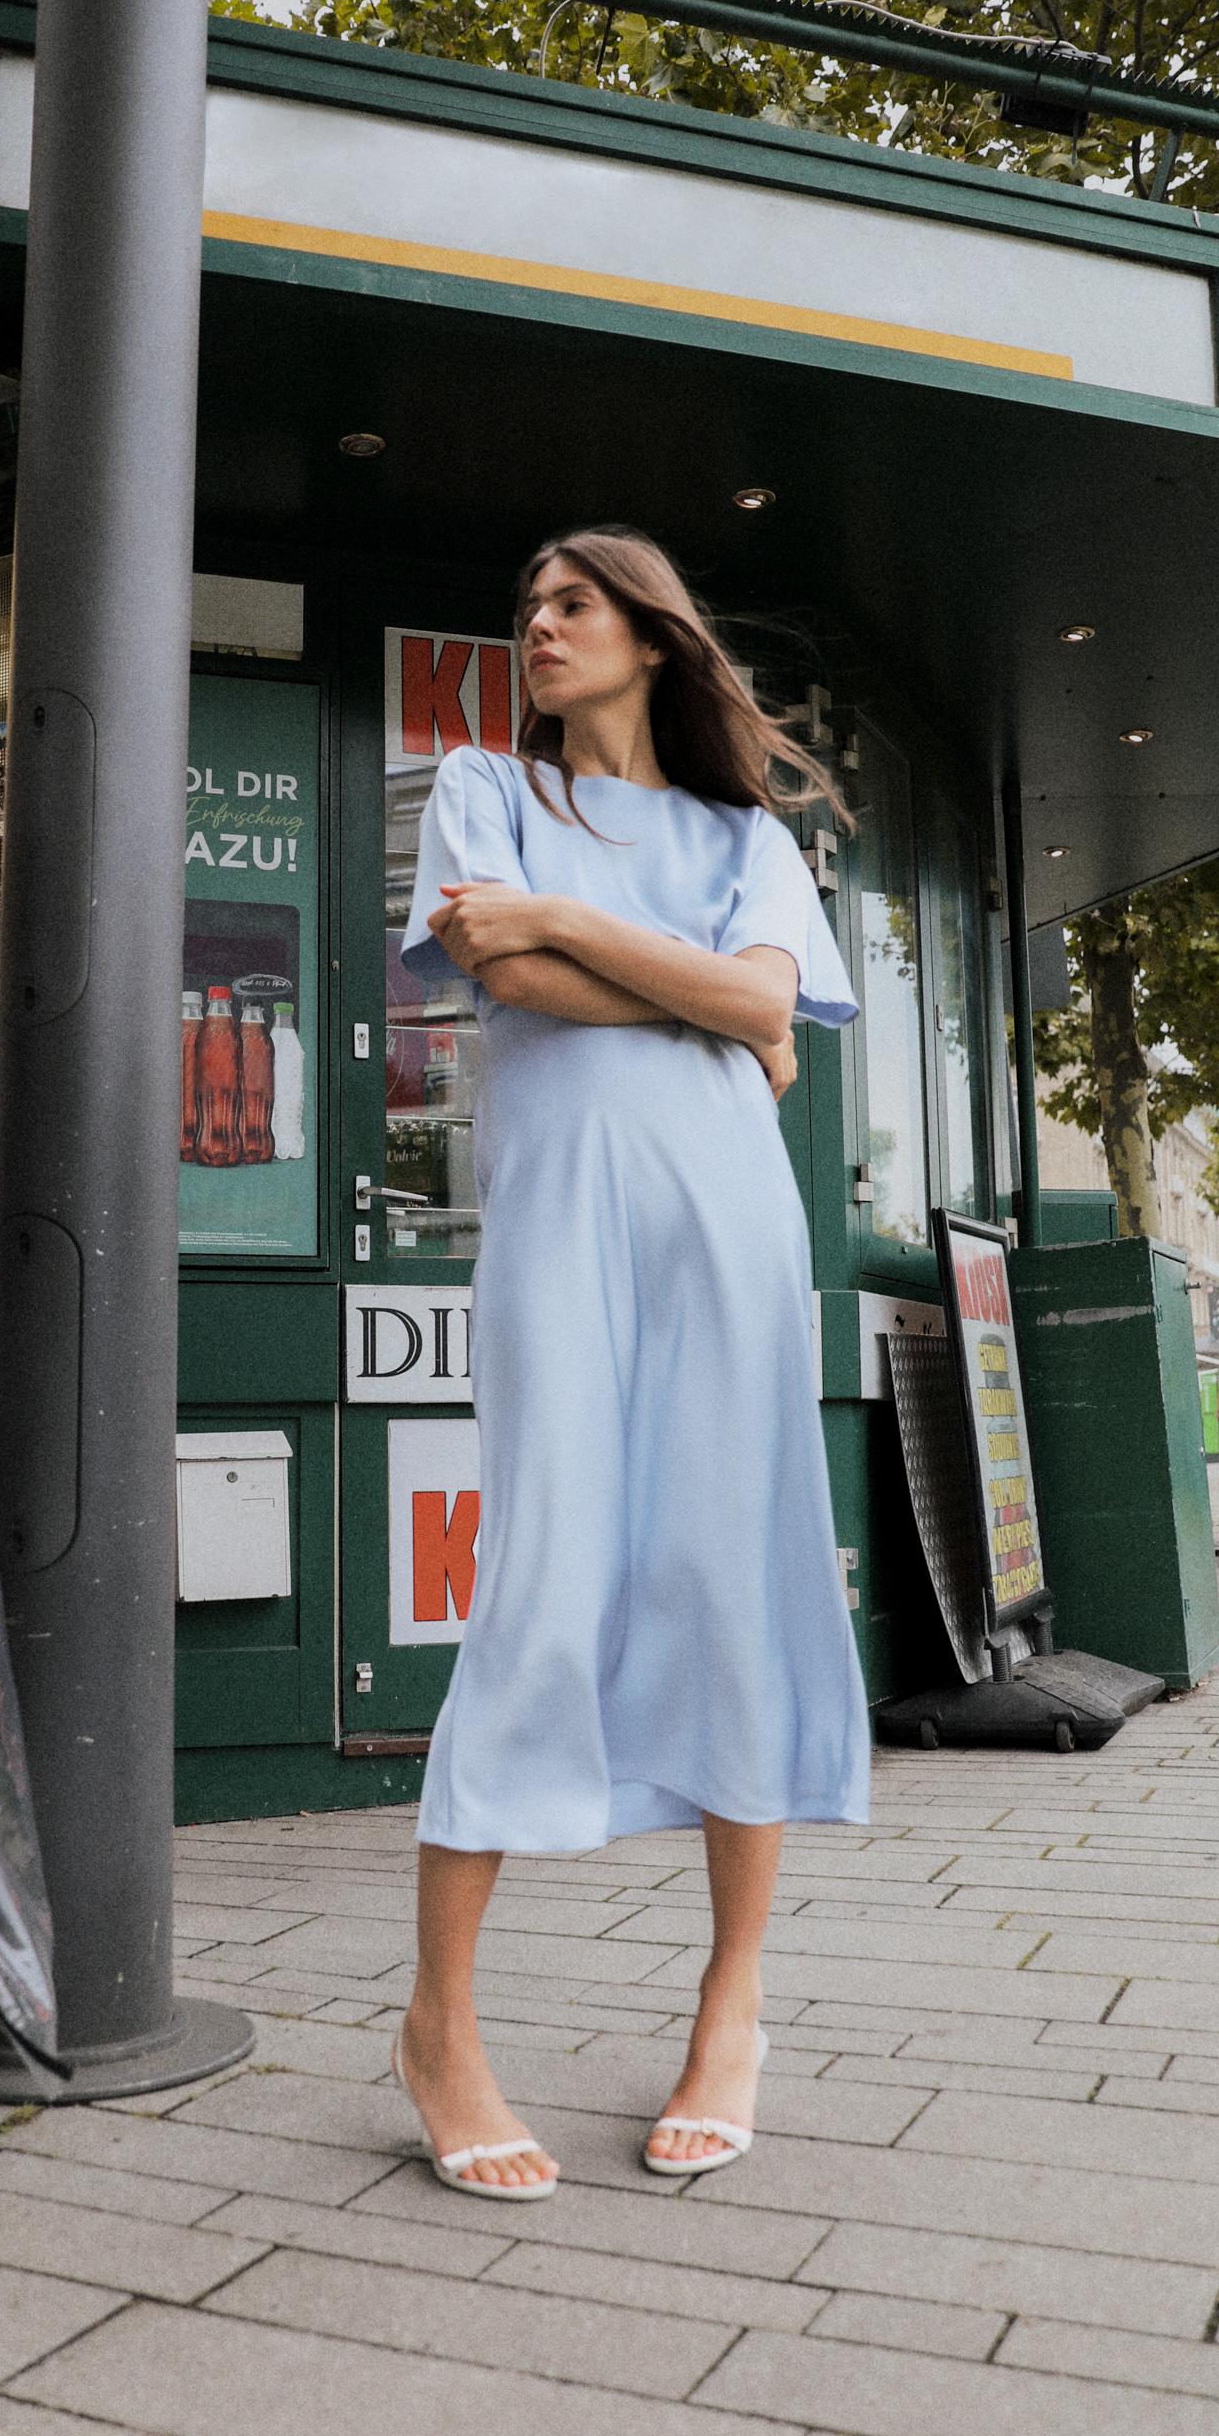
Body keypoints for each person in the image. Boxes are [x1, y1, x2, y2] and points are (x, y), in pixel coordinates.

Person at [390, 526, 870, 2200]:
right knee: (533, 1587)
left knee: (735, 1583)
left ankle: (728, 2007)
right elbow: (508, 971)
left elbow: (757, 1000)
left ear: (651, 638)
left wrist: (596, 942)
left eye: (567, 602)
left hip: (729, 1238)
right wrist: (705, 998)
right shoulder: (481, 794)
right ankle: (436, 2026)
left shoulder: (746, 835)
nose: (534, 624)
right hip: (559, 1231)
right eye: (522, 602)